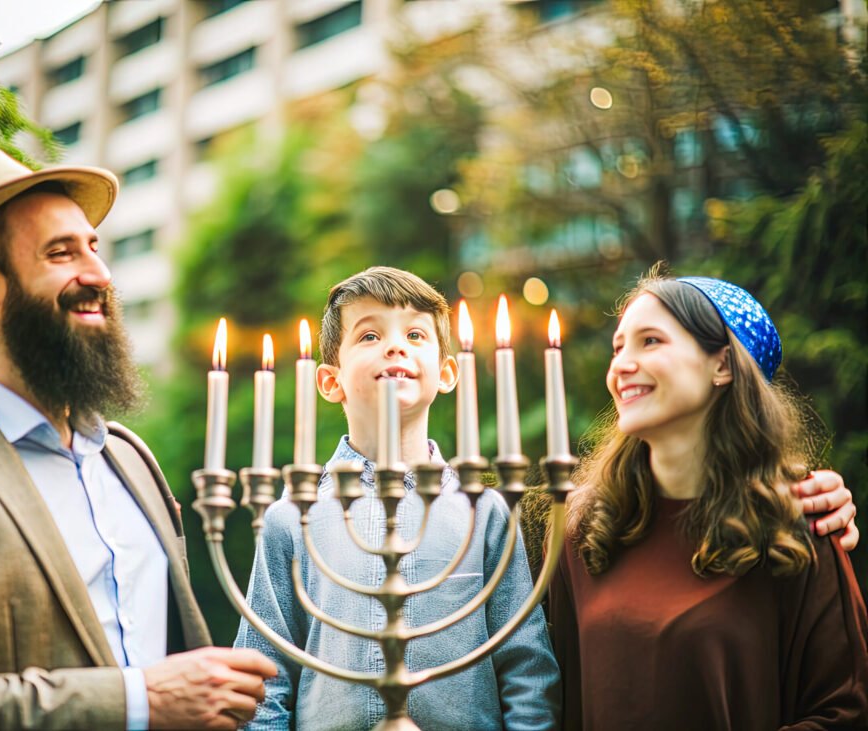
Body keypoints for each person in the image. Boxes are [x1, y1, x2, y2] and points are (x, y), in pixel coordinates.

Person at [0, 148, 276, 731]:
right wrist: (138, 701)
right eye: (61, 253)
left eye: (93, 248)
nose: (98, 274)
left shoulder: (129, 457)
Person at [235, 267, 560, 730]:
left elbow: (526, 669)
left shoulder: (485, 511)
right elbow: (264, 677)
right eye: (369, 335)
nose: (395, 346)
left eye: (414, 333)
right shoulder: (292, 516)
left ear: (448, 373)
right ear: (330, 382)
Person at [548, 271, 868, 730]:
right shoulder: (584, 530)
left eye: (650, 341)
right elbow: (557, 706)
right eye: (618, 348)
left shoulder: (799, 523)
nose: (621, 365)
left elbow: (846, 711)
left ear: (723, 365)